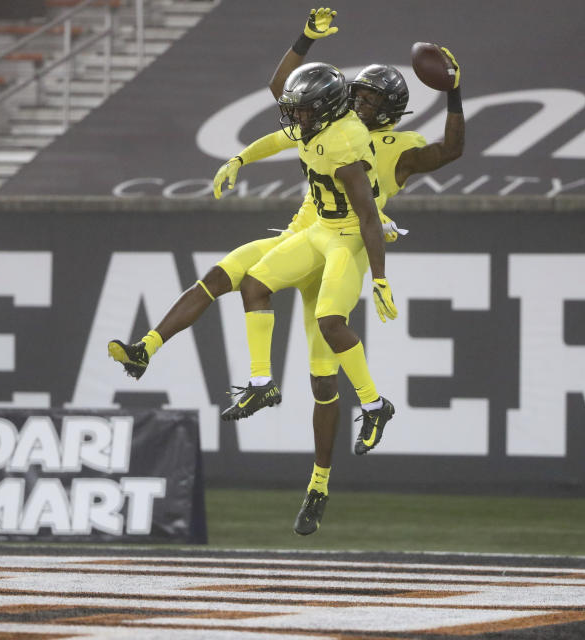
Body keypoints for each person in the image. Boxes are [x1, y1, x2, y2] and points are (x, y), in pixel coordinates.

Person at [110, 7, 464, 536]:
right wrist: (302, 42)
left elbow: (446, 153)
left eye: (369, 99)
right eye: (356, 94)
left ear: (388, 113)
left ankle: (319, 484)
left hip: (338, 252)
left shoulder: (395, 150)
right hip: (304, 235)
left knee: (323, 382)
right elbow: (286, 98)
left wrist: (455, 94)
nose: (358, 101)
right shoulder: (325, 124)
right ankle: (148, 350)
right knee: (222, 276)